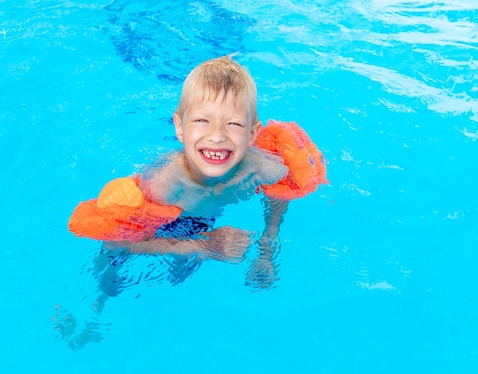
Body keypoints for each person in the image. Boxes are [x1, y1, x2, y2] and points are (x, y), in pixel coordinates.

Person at [66, 55, 326, 322]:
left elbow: (279, 194)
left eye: (233, 124)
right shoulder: (168, 185)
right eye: (202, 121)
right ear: (179, 128)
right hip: (162, 220)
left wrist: (267, 248)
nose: (217, 136)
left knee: (181, 279)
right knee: (110, 275)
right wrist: (203, 246)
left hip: (199, 220)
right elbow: (117, 244)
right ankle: (92, 309)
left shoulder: (262, 167)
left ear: (251, 133)